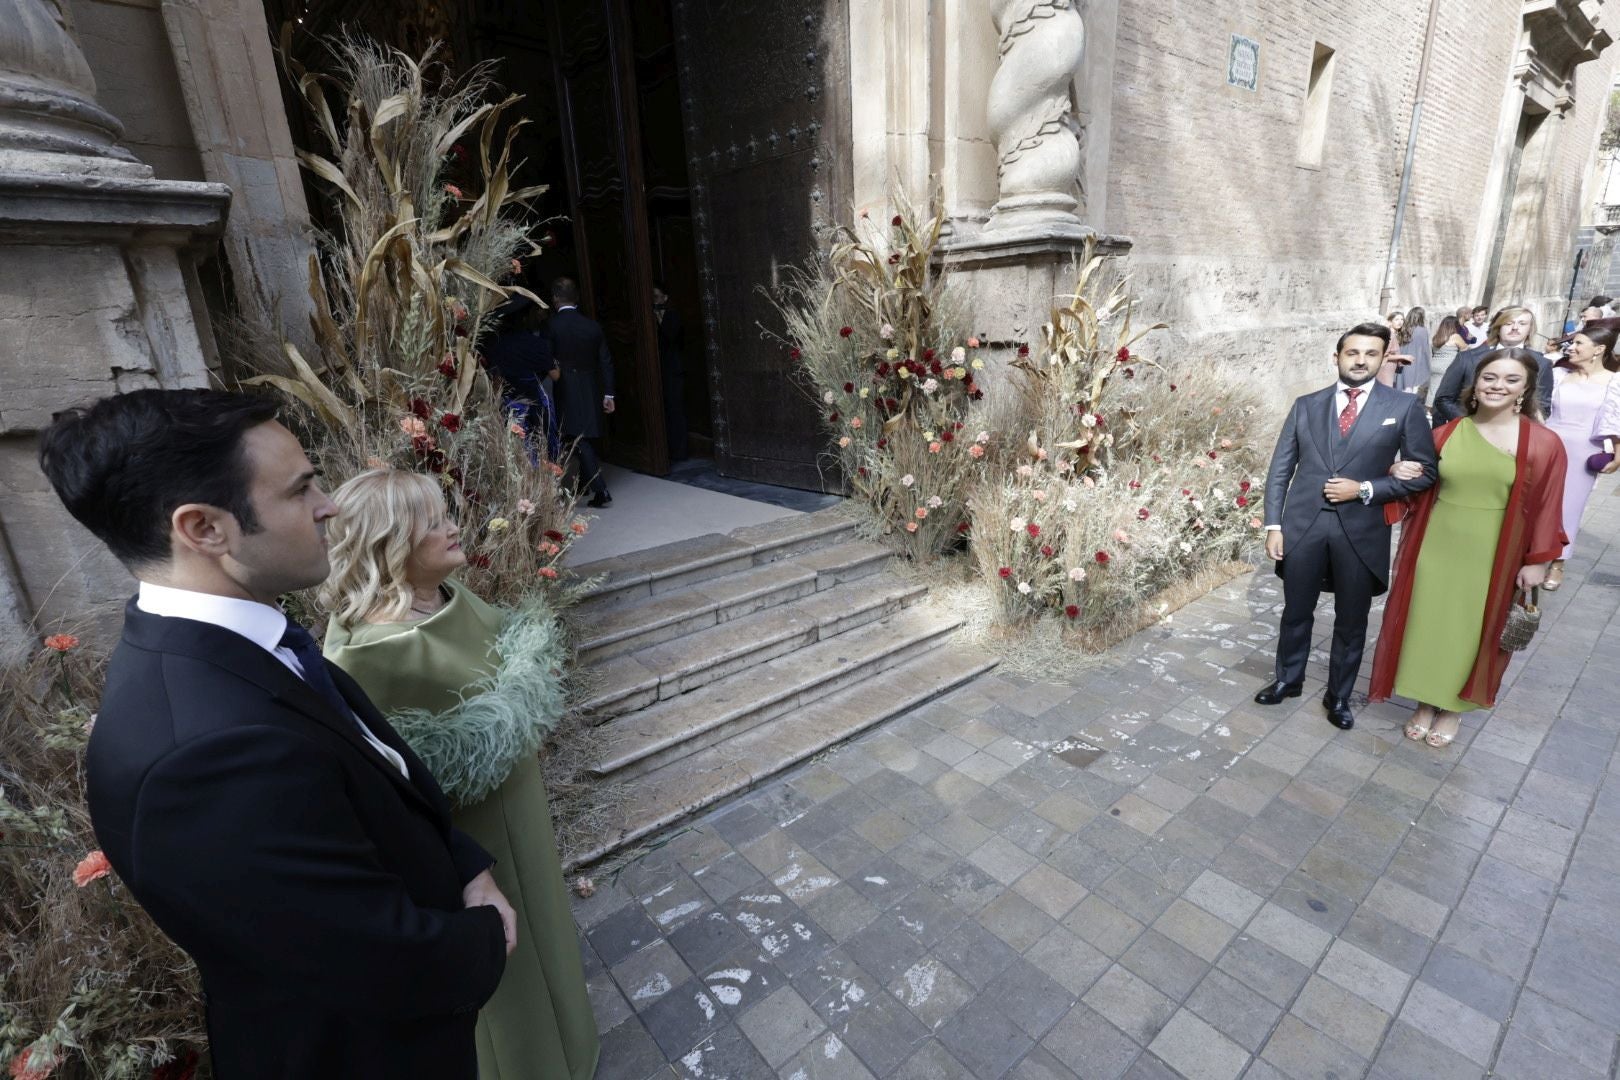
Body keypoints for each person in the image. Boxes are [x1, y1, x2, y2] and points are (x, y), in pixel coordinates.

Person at [36, 389, 512, 1080]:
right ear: (204, 529)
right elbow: (373, 960)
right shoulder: (203, 755)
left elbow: (376, 772)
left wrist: (465, 862)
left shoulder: (236, 640)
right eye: (301, 489)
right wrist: (486, 934)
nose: (330, 505)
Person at [321, 469, 599, 1080]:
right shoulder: (366, 654)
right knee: (502, 965)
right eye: (433, 521)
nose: (454, 528)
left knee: (545, 927)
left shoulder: (450, 596)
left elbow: (510, 648)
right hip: (469, 845)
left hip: (522, 812)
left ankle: (574, 1047)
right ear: (387, 541)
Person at [1370, 350, 1568, 747]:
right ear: (1475, 384)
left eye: (1511, 380)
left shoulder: (1544, 444)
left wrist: (1539, 561)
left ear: (1526, 389)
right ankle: (1425, 701)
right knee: (1428, 623)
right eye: (1489, 377)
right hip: (1436, 543)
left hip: (1495, 551)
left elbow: (1549, 505)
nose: (1498, 386)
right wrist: (1397, 472)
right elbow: (1418, 485)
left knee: (1475, 629)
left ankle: (1453, 708)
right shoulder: (1445, 433)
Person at [1256, 323, 1439, 730]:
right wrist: (1273, 525)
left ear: (1383, 358)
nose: (1360, 360)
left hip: (1361, 531)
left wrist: (1368, 488)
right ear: (1337, 357)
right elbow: (1280, 470)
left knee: (1352, 619)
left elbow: (1426, 472)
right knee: (1296, 611)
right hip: (1303, 526)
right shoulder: (1307, 405)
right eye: (1352, 352)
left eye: (1370, 353)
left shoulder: (1402, 408)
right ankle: (1288, 679)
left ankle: (1339, 696)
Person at [1543, 322, 1620, 590]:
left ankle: (1558, 562)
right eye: (1572, 343)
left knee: (1570, 507)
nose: (1571, 347)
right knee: (1537, 501)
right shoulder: (1559, 373)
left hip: (1584, 451)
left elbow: (1616, 420)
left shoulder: (1614, 381)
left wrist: (1617, 456)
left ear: (1599, 349)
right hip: (1549, 444)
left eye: (1578, 344)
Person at [546, 277, 615, 507]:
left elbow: (547, 357)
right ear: (576, 298)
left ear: (555, 298)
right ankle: (586, 482)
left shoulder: (552, 325)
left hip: (566, 385)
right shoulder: (592, 325)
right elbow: (605, 360)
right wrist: (609, 394)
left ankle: (601, 490)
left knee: (577, 437)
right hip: (591, 385)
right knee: (584, 435)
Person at [1432, 306, 1554, 423]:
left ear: (1530, 329)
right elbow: (1443, 399)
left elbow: (1543, 408)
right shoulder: (1468, 358)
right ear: (1498, 326)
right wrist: (1469, 424)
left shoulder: (1542, 364)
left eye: (1522, 323)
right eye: (1508, 323)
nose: (1515, 328)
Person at [484, 295, 562, 462]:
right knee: (542, 447)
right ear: (525, 318)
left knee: (516, 452)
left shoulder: (493, 344)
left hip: (506, 406)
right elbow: (555, 375)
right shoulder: (535, 343)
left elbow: (494, 379)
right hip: (534, 406)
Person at [653, 281, 688, 462]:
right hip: (659, 369)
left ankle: (680, 452)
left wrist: (660, 318)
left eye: (657, 297)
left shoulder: (672, 315)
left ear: (665, 298)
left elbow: (671, 336)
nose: (655, 301)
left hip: (673, 369)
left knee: (676, 410)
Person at [1429, 314, 1469, 405]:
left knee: (1433, 388)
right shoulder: (1455, 336)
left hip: (1434, 365)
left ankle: (1428, 408)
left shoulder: (1437, 336)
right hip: (1447, 366)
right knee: (1444, 390)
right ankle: (1436, 409)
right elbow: (1465, 350)